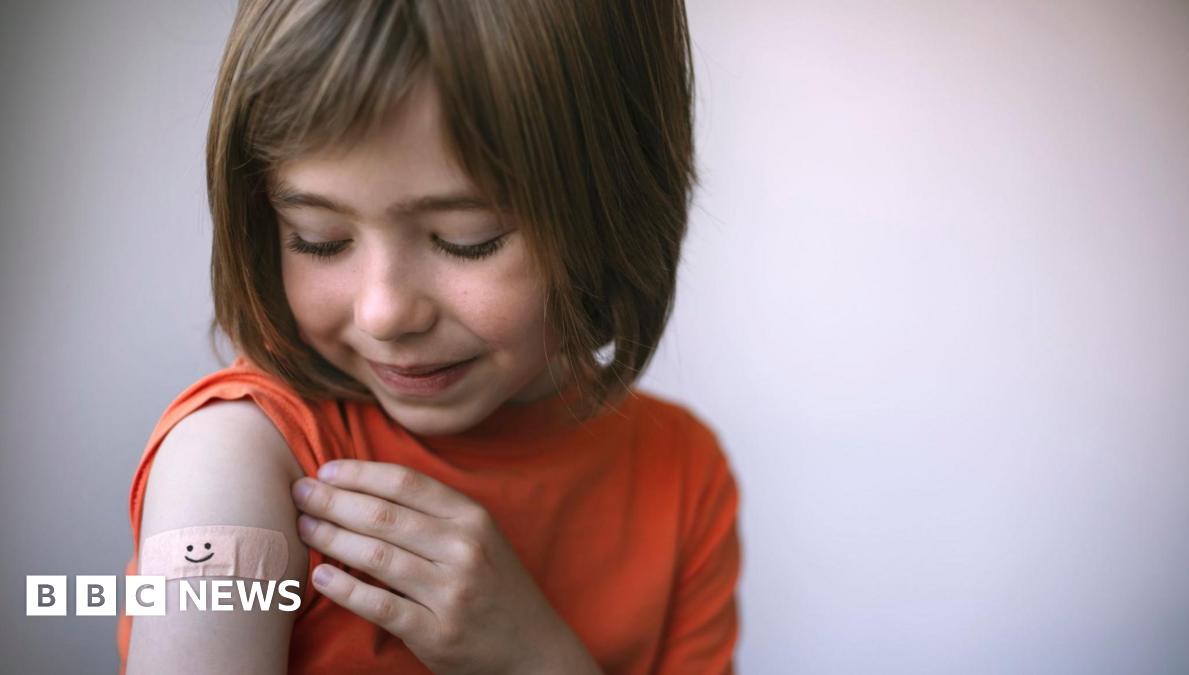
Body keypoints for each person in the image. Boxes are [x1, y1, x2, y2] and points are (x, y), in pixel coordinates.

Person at [118, 1, 741, 673]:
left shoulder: (684, 477)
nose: (384, 312)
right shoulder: (238, 457)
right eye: (319, 240)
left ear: (613, 202)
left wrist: (537, 659)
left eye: (465, 241)